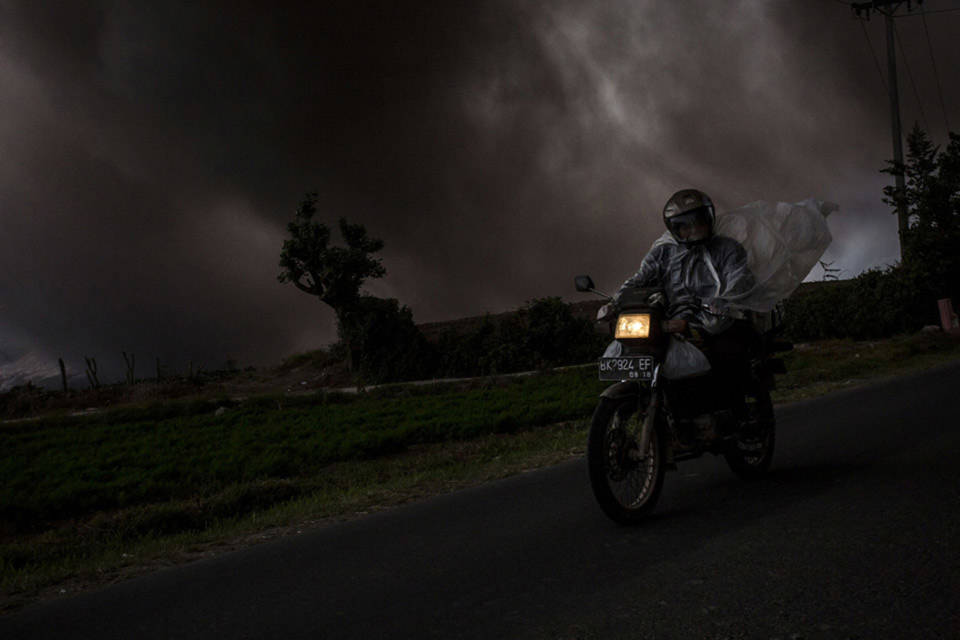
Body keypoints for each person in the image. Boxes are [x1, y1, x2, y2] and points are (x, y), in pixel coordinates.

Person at [606, 189, 757, 419]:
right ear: (674, 229)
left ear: (709, 219)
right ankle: (663, 409)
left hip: (715, 319)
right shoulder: (663, 254)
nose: (693, 230)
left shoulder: (727, 249)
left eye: (698, 223)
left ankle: (732, 416)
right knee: (641, 348)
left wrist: (718, 304)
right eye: (685, 226)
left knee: (726, 353)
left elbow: (738, 281)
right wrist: (615, 302)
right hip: (671, 320)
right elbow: (639, 279)